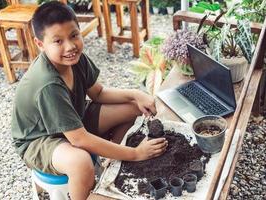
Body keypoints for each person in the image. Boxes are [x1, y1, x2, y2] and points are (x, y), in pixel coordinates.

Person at [11, 1, 168, 199]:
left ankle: (113, 163)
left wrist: (135, 95)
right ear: (40, 44)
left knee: (131, 108)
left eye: (74, 35)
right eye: (58, 41)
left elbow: (99, 93)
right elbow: (79, 139)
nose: (70, 46)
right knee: (81, 162)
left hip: (73, 120)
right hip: (40, 138)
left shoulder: (76, 59)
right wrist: (136, 153)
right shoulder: (47, 84)